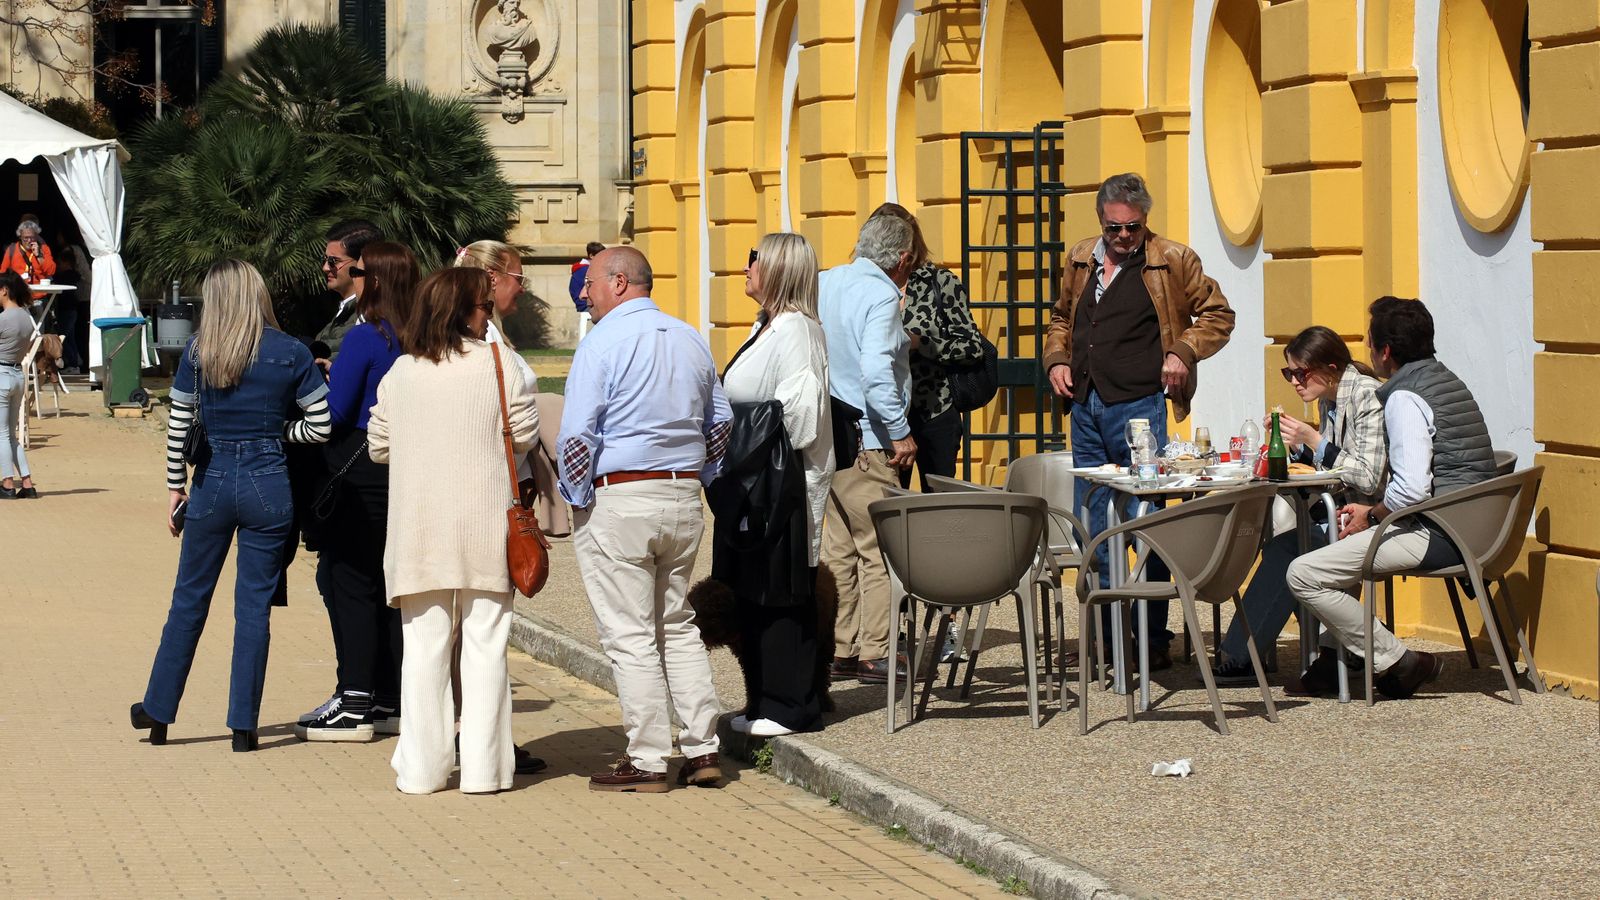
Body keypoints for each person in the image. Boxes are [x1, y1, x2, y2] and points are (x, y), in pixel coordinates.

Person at [130, 260, 333, 752]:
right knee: (254, 608)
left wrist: (175, 487)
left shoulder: (201, 351)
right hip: (269, 483)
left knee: (189, 599)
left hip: (212, 481)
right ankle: (244, 725)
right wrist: (279, 433)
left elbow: (180, 423)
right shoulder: (291, 351)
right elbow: (321, 425)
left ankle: (159, 710)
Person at [1042, 172, 1235, 670]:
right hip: (1085, 406)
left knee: (1145, 524)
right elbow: (1061, 318)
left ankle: (1151, 638)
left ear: (1145, 221)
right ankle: (1112, 638)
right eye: (1114, 228)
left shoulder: (1172, 258)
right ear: (1101, 221)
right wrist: (1057, 359)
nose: (1124, 236)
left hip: (1139, 409)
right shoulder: (1081, 257)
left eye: (1133, 227)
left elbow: (1218, 315)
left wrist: (1182, 351)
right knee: (1094, 526)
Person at [559, 246, 732, 792]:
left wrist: (576, 495)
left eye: (590, 283)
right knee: (676, 623)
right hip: (681, 494)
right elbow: (721, 421)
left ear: (618, 282)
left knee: (630, 633)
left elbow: (578, 435)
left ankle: (649, 758)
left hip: (622, 494)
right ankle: (703, 748)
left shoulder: (602, 341)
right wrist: (703, 473)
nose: (585, 294)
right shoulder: (689, 337)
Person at [367, 267, 539, 794]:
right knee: (486, 647)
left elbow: (378, 446)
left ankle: (422, 770)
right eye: (484, 306)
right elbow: (525, 435)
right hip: (487, 526)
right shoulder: (499, 364)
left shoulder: (402, 371)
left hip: (418, 530)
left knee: (424, 650)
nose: (490, 314)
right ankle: (485, 772)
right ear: (462, 311)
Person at [1286, 297, 1493, 699]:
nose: (1366, 352)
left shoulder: (1404, 398)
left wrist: (1372, 515)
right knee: (1340, 549)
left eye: (1369, 344)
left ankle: (1400, 661)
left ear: (1384, 352)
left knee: (1304, 573)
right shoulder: (1445, 379)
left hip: (1443, 532)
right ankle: (1334, 659)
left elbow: (1411, 489)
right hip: (1479, 523)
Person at [1211, 325, 1387, 685]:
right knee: (1284, 542)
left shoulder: (1366, 395)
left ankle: (1245, 657)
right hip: (1340, 508)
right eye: (1288, 372)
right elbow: (1334, 467)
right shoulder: (1329, 398)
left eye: (1300, 373)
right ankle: (1340, 644)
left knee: (1289, 549)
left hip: (1373, 514)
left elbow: (1368, 477)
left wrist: (1315, 440)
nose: (1293, 381)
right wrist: (1299, 449)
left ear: (1330, 368)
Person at [295, 242, 417, 741]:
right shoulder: (422, 336)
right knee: (390, 588)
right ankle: (390, 696)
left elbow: (337, 412)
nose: (355, 277)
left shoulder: (368, 336)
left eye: (360, 271)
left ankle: (354, 699)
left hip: (360, 468)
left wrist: (322, 380)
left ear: (377, 280)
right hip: (405, 470)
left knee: (347, 580)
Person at [719, 233, 834, 737]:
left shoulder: (797, 331)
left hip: (783, 483)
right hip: (756, 480)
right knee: (755, 591)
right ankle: (764, 699)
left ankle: (791, 706)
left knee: (783, 591)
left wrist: (743, 430)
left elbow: (801, 416)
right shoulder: (767, 325)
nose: (746, 268)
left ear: (780, 270)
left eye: (755, 260)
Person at [818, 214, 917, 684]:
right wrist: (899, 430)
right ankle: (876, 651)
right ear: (903, 258)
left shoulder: (826, 281)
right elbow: (876, 371)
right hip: (868, 439)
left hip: (829, 435)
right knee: (878, 549)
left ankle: (840, 647)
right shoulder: (880, 295)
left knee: (839, 548)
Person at [867, 203, 986, 492]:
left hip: (934, 410)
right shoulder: (865, 285)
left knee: (938, 500)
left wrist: (922, 344)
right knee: (887, 499)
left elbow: (971, 346)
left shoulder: (939, 281)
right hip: (883, 415)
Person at [313, 219, 384, 368]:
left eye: (333, 261)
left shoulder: (371, 317)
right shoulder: (345, 312)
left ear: (363, 263)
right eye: (324, 259)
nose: (325, 267)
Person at [0, 272, 39, 499]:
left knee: (2, 434)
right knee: (11, 434)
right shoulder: (26, 317)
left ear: (5, 290)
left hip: (2, 374)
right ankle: (27, 482)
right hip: (17, 375)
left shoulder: (4, 319)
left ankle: (7, 483)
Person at [2, 216, 54, 285]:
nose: (29, 240)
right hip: (18, 289)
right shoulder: (12, 249)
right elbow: (3, 273)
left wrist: (39, 255)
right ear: (20, 236)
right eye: (26, 238)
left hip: (39, 289)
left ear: (36, 236)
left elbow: (51, 271)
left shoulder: (44, 248)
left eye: (32, 237)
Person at [569, 240, 603, 339]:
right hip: (585, 305)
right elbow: (583, 294)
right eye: (600, 256)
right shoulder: (586, 270)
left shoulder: (582, 269)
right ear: (592, 256)